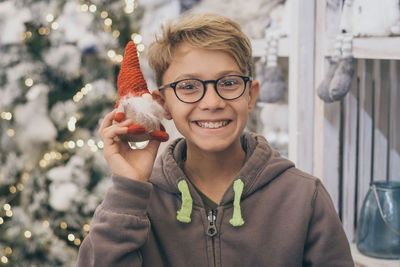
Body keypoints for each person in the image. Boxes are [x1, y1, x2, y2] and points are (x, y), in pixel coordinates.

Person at [77, 13, 354, 267]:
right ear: (162, 105)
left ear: (251, 95)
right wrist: (129, 187)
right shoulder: (136, 203)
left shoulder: (304, 197)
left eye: (229, 82)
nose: (212, 102)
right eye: (188, 86)